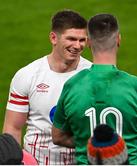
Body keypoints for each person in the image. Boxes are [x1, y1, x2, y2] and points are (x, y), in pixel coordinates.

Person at [52, 13, 137, 164]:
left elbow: (58, 136)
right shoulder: (135, 86)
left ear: (89, 42)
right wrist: (136, 125)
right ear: (118, 40)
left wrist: (91, 144)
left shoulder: (72, 86)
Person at [3, 9, 92, 165]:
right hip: (37, 161)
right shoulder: (28, 75)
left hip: (81, 161)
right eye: (71, 39)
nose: (77, 46)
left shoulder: (93, 75)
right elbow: (13, 128)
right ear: (53, 38)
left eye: (82, 40)